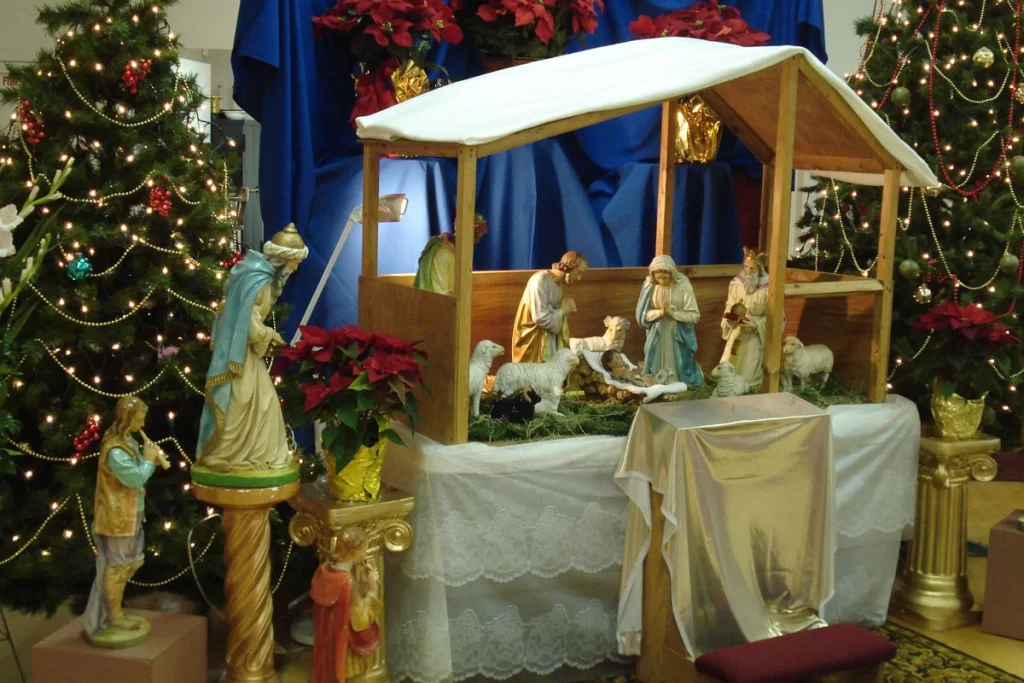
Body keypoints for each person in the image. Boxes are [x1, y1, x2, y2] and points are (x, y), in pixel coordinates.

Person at [196, 224, 308, 472]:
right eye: (294, 262)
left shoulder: (257, 276)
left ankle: (246, 454)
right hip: (239, 354)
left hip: (246, 353)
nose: (295, 268)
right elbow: (247, 321)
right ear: (284, 259)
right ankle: (223, 454)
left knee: (262, 402)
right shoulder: (257, 281)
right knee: (242, 401)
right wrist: (270, 336)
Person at [84, 396, 169, 642]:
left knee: (131, 563)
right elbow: (134, 479)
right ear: (128, 418)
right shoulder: (115, 449)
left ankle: (114, 611)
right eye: (140, 418)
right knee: (118, 567)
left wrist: (147, 457)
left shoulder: (127, 440)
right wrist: (149, 461)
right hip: (118, 518)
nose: (143, 422)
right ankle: (113, 617)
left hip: (132, 513)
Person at [311, 527, 383, 683]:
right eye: (364, 550)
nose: (364, 554)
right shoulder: (348, 583)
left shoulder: (323, 571)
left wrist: (363, 582)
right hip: (346, 648)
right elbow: (360, 621)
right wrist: (372, 589)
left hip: (327, 645)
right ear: (355, 553)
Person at [636, 254, 704, 387]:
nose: (661, 280)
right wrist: (659, 313)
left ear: (671, 272)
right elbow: (642, 315)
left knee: (678, 361)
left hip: (677, 335)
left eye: (665, 277)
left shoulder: (683, 285)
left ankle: (678, 381)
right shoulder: (649, 286)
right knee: (655, 360)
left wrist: (674, 314)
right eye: (658, 277)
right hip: (657, 333)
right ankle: (658, 382)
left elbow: (694, 315)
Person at [511, 251, 588, 363]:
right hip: (533, 342)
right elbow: (540, 318)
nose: (579, 278)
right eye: (579, 272)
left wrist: (564, 307)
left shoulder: (557, 283)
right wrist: (562, 310)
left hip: (546, 338)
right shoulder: (540, 280)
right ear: (571, 265)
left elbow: (550, 311)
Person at [720, 247, 769, 389]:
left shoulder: (768, 289)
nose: (747, 271)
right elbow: (730, 305)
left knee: (748, 377)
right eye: (746, 267)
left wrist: (755, 325)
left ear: (760, 269)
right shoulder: (737, 284)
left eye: (752, 268)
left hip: (754, 336)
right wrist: (729, 320)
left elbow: (777, 317)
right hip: (736, 332)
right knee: (727, 370)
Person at [412, 213, 488, 296]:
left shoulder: (461, 255)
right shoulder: (444, 254)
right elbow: (440, 294)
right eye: (475, 237)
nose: (477, 241)